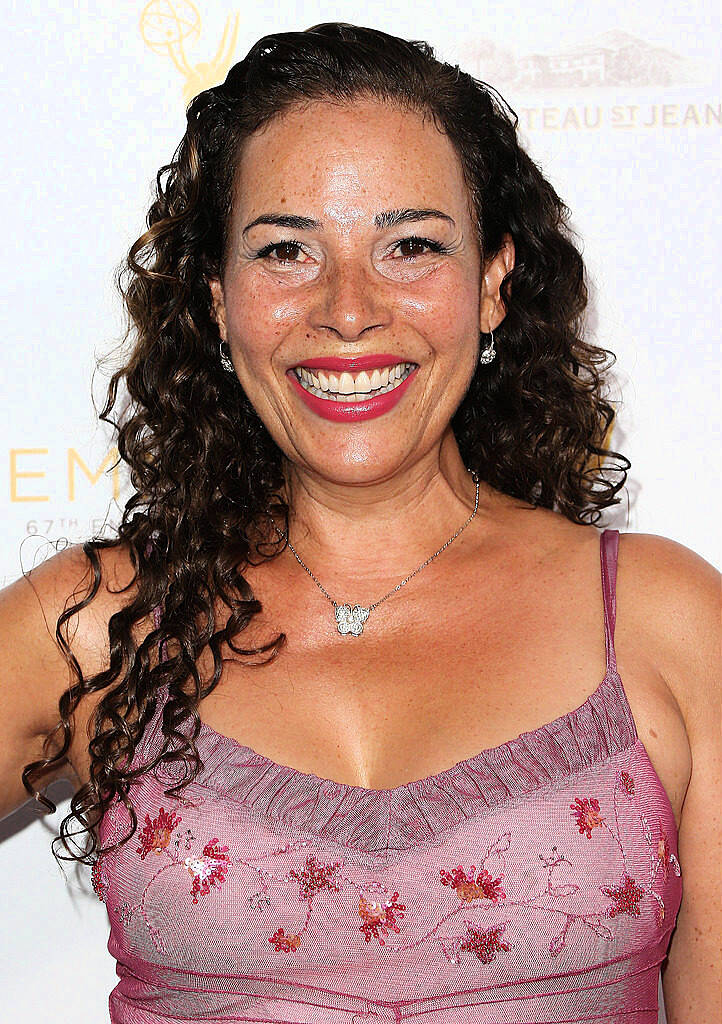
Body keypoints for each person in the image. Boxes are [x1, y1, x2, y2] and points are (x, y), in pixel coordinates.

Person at [0, 21, 718, 1024]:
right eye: (287, 249)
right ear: (216, 298)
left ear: (493, 285)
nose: (347, 308)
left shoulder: (666, 621)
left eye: (410, 245)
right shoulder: (97, 623)